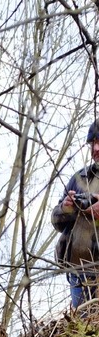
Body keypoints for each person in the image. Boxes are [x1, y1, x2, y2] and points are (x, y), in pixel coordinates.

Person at [53, 119, 99, 307]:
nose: (96, 148)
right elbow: (56, 221)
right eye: (92, 143)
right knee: (82, 328)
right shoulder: (79, 178)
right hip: (78, 271)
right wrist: (66, 208)